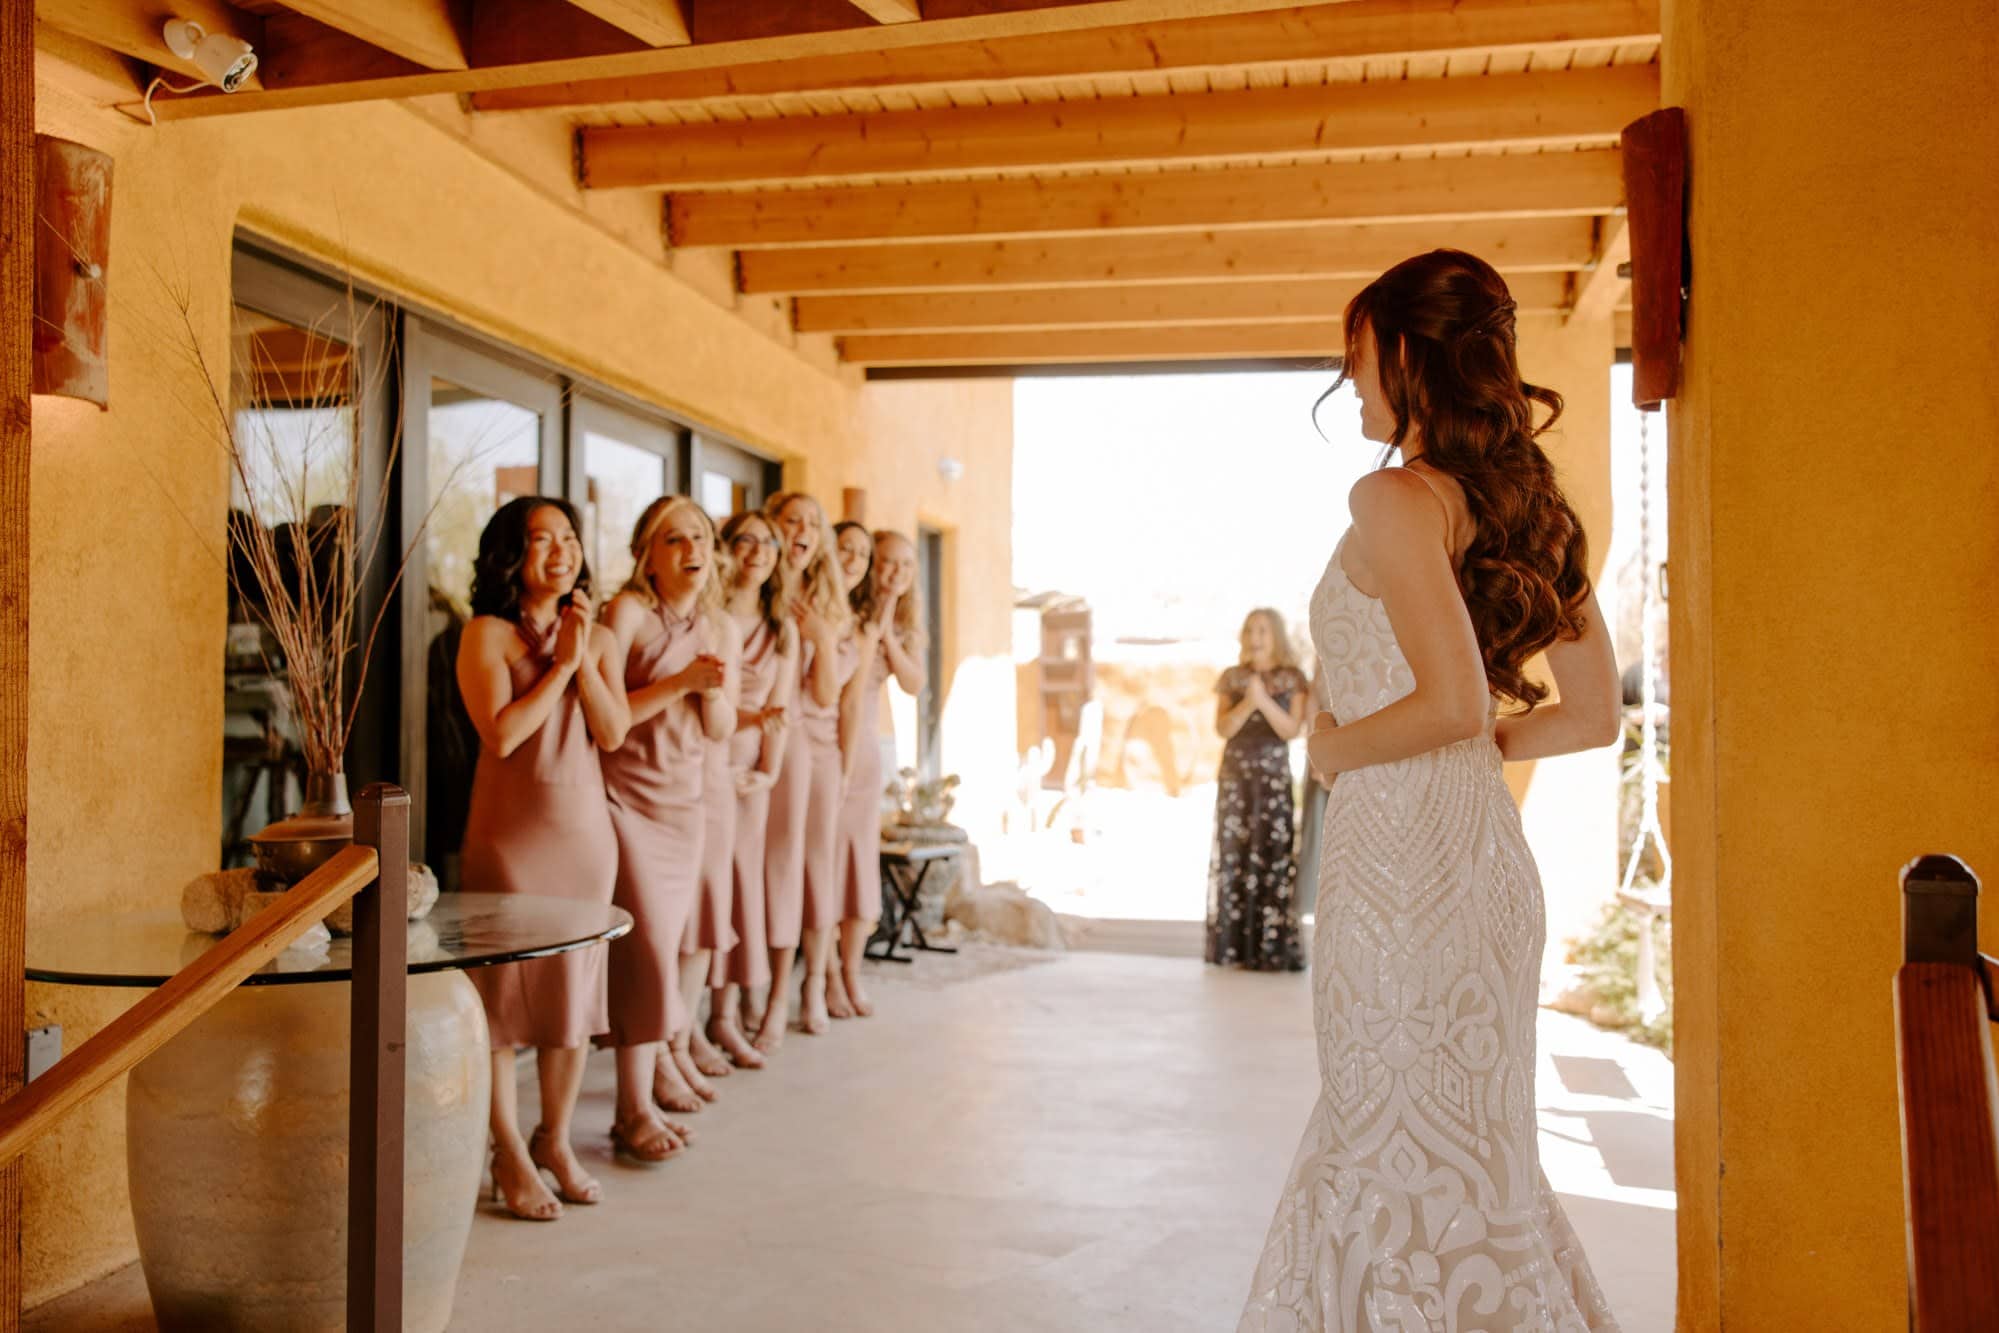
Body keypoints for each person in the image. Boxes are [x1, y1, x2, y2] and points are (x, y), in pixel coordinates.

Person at [1237, 250, 1623, 1331]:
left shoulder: (1394, 495)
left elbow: (1450, 702)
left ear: (1407, 351)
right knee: (1469, 1152)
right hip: (1483, 862)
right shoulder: (1529, 505)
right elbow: (1591, 718)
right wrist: (1467, 745)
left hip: (1400, 858)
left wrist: (1332, 751)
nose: (1347, 379)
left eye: (1355, 354)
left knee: (1383, 1136)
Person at [455, 496, 629, 1221]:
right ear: (508, 553)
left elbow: (614, 732)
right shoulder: (485, 635)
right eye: (539, 539)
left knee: (572, 999)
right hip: (509, 840)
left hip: (584, 835)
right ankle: (506, 1150)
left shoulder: (599, 635)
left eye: (568, 537)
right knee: (500, 1005)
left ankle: (554, 1139)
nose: (559, 550)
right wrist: (558, 667)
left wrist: (583, 658)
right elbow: (501, 736)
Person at [600, 496, 734, 1153]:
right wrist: (682, 681)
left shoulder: (715, 627)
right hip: (625, 800)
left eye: (701, 537)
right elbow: (601, 709)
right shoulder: (625, 613)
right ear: (646, 554)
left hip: (685, 804)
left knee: (665, 947)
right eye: (675, 538)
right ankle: (632, 1108)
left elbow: (720, 727)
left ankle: (642, 1094)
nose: (692, 549)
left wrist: (709, 690)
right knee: (645, 950)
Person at [825, 525, 928, 1018]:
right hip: (828, 741)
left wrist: (888, 634)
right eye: (887, 561)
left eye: (906, 565)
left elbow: (913, 683)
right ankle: (825, 977)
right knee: (822, 868)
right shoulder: (848, 613)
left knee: (857, 868)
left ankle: (849, 973)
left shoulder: (901, 624)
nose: (895, 572)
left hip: (865, 749)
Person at [708, 509, 798, 1064]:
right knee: (706, 892)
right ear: (728, 548)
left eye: (769, 543)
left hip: (749, 776)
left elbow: (780, 711)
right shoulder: (709, 614)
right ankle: (688, 1023)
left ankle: (724, 1014)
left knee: (741, 891)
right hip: (702, 764)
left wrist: (767, 773)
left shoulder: (780, 627)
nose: (758, 551)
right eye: (746, 540)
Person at [761, 492, 851, 1039]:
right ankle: (762, 994)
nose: (802, 531)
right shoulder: (757, 595)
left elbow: (824, 696)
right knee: (770, 871)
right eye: (791, 520)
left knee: (814, 869)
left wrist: (819, 635)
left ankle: (810, 984)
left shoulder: (829, 607)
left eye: (812, 524)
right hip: (761, 741)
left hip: (813, 748)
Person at [1206, 608, 1308, 972]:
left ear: (1276, 635)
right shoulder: (1232, 678)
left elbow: (1290, 730)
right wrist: (1248, 699)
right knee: (1236, 854)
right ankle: (1236, 948)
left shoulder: (1293, 679)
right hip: (1236, 777)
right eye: (1250, 629)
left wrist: (1263, 700)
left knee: (1273, 853)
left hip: (1272, 778)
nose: (1256, 636)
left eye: (1263, 630)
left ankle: (1270, 949)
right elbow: (1223, 728)